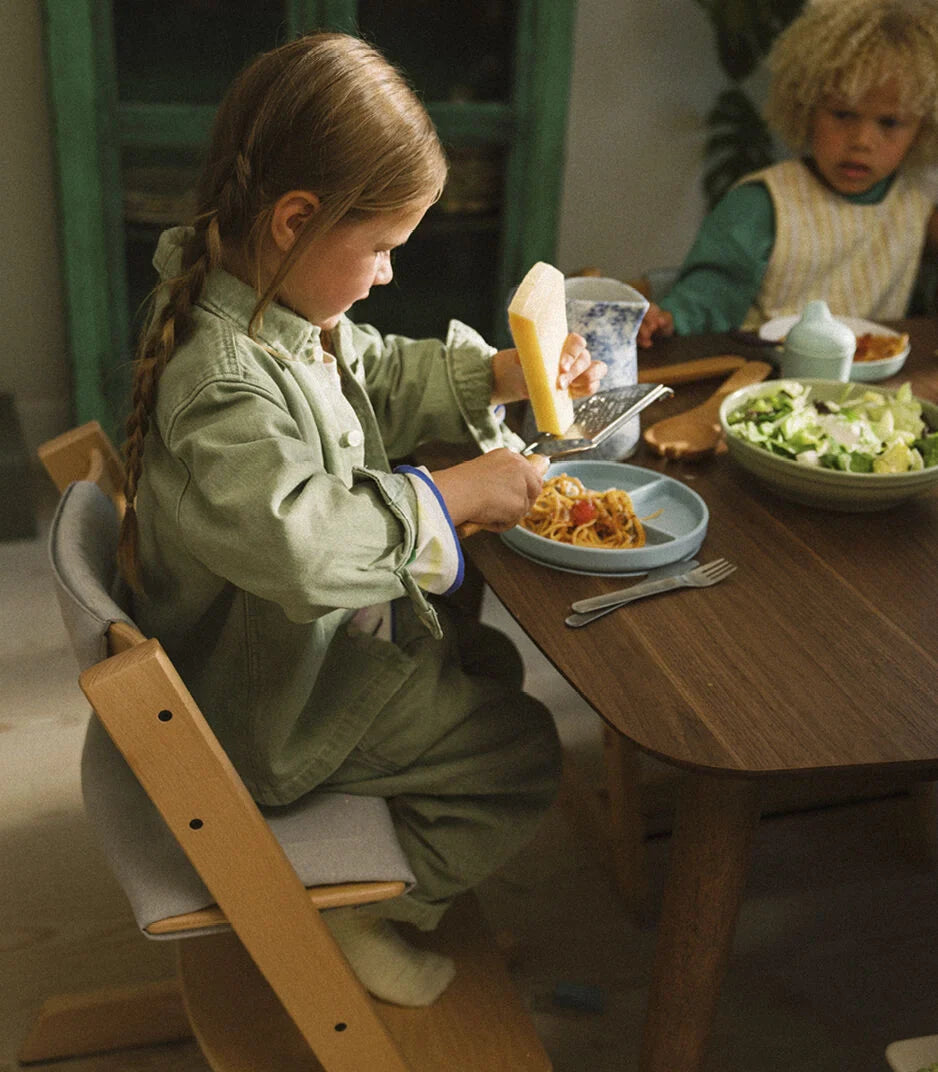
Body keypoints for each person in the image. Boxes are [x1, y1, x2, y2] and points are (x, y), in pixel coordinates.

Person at [116, 33, 604, 1008]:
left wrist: (497, 375)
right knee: (521, 751)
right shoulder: (221, 386)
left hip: (286, 661)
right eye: (380, 248)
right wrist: (454, 496)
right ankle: (355, 917)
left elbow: (372, 369)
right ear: (297, 219)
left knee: (483, 661)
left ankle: (390, 835)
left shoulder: (257, 299)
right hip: (272, 710)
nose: (385, 275)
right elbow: (301, 545)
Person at [638, 0, 938, 347]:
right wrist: (670, 318)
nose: (862, 141)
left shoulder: (916, 206)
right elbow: (709, 295)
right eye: (842, 114)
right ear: (805, 109)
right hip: (763, 371)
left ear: (922, 129)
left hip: (875, 374)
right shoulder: (762, 203)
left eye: (890, 122)